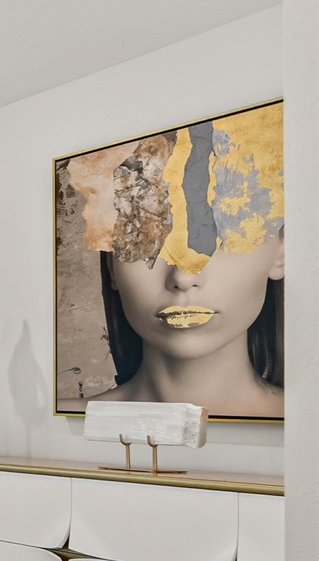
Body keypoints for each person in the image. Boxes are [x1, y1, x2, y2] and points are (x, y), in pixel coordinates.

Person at [61, 104, 284, 417]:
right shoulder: (53, 422)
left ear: (281, 251)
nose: (183, 276)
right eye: (148, 234)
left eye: (220, 229)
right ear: (112, 262)